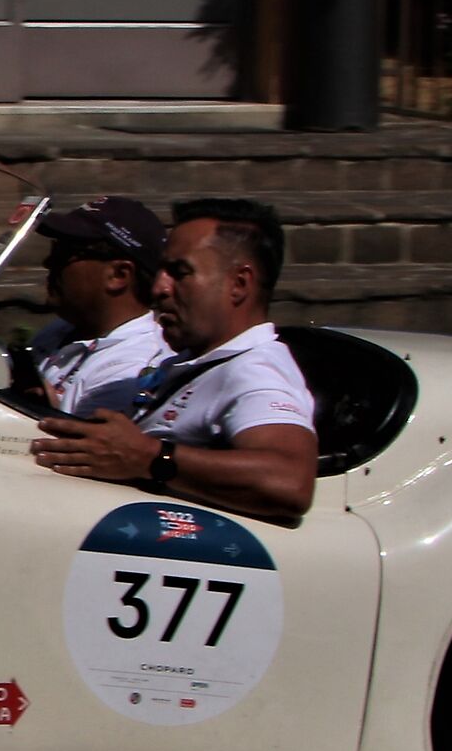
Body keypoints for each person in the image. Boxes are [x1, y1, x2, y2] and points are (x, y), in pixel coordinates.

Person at [29, 197, 318, 523]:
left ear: (239, 284)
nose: (159, 288)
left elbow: (290, 481)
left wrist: (151, 457)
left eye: (179, 273)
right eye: (162, 270)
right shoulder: (191, 362)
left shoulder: (254, 369)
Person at [26, 195, 171, 417]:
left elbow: (81, 448)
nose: (48, 262)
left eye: (65, 252)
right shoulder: (63, 330)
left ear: (118, 275)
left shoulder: (132, 370)